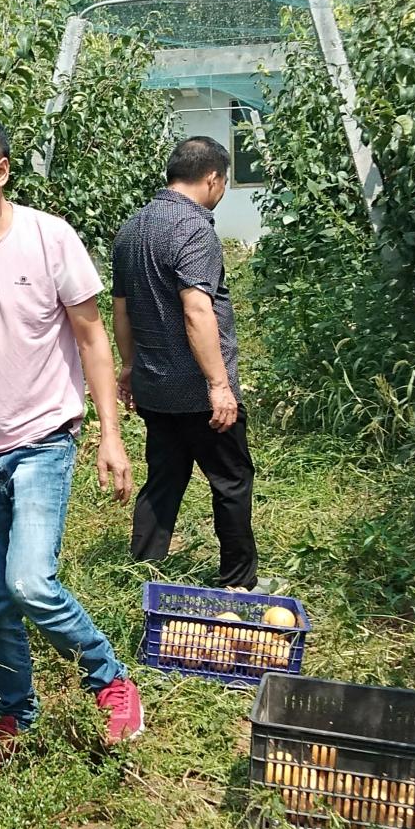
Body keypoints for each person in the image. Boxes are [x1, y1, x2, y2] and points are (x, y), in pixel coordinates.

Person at [0, 112, 143, 767]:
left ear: (0, 170)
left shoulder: (49, 240)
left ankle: (111, 679)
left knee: (30, 582)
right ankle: (16, 711)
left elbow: (92, 338)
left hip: (43, 437)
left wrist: (110, 434)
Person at [111, 136, 258, 590]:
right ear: (213, 178)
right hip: (197, 390)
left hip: (155, 386)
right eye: (225, 181)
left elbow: (121, 309)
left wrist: (130, 367)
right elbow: (197, 309)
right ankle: (238, 579)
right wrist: (218, 384)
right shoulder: (194, 230)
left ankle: (142, 569)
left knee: (164, 477)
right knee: (231, 480)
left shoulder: (133, 228)